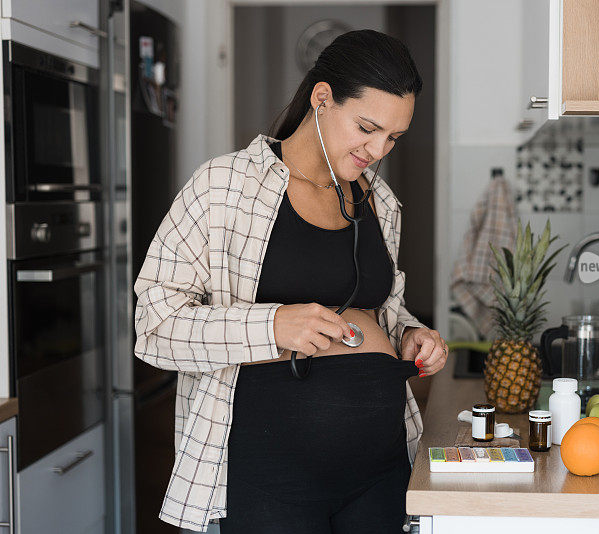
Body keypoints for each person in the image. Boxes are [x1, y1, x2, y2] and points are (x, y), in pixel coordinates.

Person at [133, 29, 448, 533]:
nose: (378, 149)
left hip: (380, 466)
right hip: (269, 476)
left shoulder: (380, 202)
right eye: (367, 127)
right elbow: (154, 328)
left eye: (393, 137)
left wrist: (409, 333)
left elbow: (383, 307)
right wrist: (272, 325)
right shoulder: (224, 186)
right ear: (322, 98)